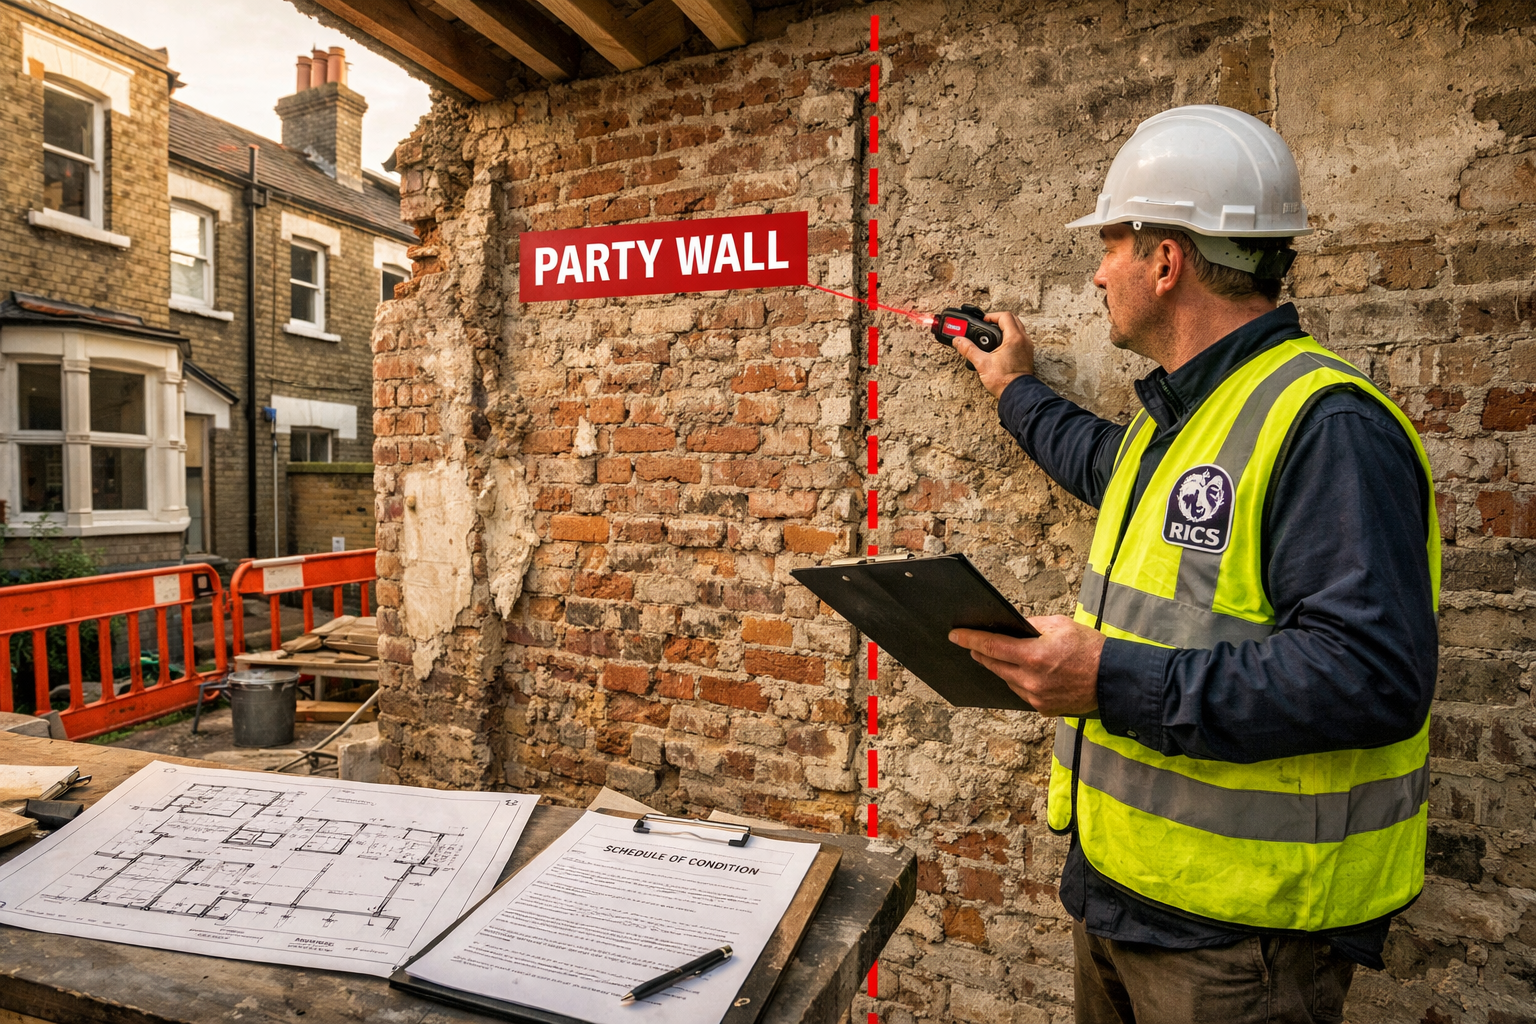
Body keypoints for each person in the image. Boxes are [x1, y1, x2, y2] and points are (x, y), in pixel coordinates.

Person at [944, 106, 1440, 1024]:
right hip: (1124, 897)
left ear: (1164, 261)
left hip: (1239, 944)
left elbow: (1373, 676)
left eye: (1111, 244)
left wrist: (1106, 676)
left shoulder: (1328, 427)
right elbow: (1096, 458)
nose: (1097, 272)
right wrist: (1012, 386)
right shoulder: (1174, 424)